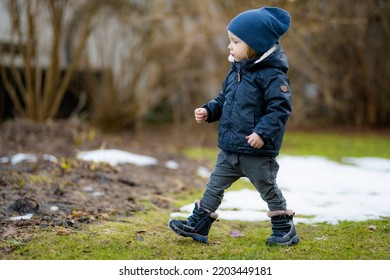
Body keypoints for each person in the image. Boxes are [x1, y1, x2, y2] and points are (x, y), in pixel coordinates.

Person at [168, 6, 299, 246]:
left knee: (267, 189)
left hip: (257, 151)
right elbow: (224, 99)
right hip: (230, 149)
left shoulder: (272, 75)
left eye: (235, 42)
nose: (229, 46)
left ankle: (284, 228)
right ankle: (199, 224)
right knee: (214, 185)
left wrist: (262, 133)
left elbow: (279, 110)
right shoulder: (236, 70)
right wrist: (209, 110)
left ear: (255, 45)